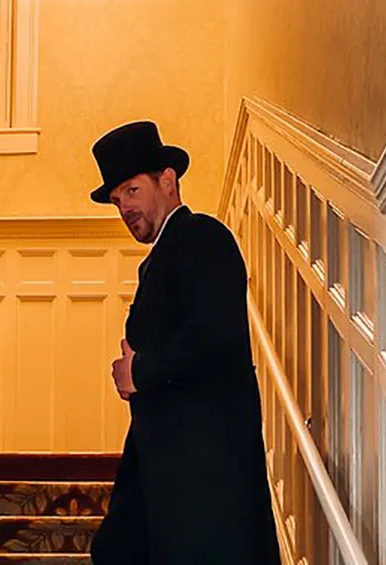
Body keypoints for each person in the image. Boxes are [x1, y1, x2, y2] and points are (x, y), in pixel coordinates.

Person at [87, 120, 280, 564]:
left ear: (168, 180)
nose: (124, 209)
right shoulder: (158, 261)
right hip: (164, 466)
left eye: (132, 192)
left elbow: (217, 334)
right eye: (117, 201)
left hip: (204, 476)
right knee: (114, 549)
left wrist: (139, 370)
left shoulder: (202, 236)